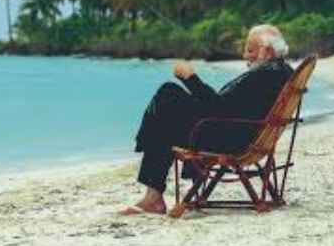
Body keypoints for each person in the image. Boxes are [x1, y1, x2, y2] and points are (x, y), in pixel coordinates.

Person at [120, 24, 294, 216]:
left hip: (228, 139)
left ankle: (153, 197)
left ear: (267, 52)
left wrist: (190, 78)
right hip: (237, 133)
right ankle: (154, 196)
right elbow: (227, 108)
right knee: (166, 108)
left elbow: (219, 109)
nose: (245, 56)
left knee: (167, 97)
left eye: (250, 50)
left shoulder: (266, 74)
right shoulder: (278, 72)